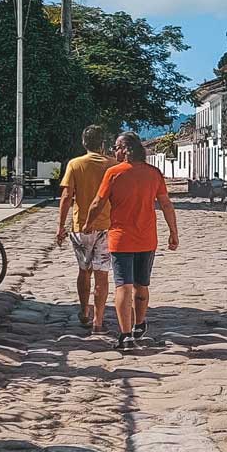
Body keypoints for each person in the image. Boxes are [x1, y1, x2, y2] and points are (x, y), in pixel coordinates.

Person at [82, 130, 179, 354]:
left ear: (125, 150)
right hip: (147, 239)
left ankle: (125, 334)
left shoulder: (114, 173)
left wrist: (88, 224)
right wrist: (173, 232)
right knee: (141, 285)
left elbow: (98, 202)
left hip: (120, 239)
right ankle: (139, 324)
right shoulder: (154, 174)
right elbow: (166, 205)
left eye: (116, 147)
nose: (114, 151)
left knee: (122, 286)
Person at [56, 125, 113, 334]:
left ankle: (84, 311)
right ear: (103, 143)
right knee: (102, 274)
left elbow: (66, 197)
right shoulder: (112, 165)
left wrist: (61, 226)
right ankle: (98, 320)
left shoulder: (75, 164)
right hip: (107, 226)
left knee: (84, 271)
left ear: (84, 142)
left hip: (81, 227)